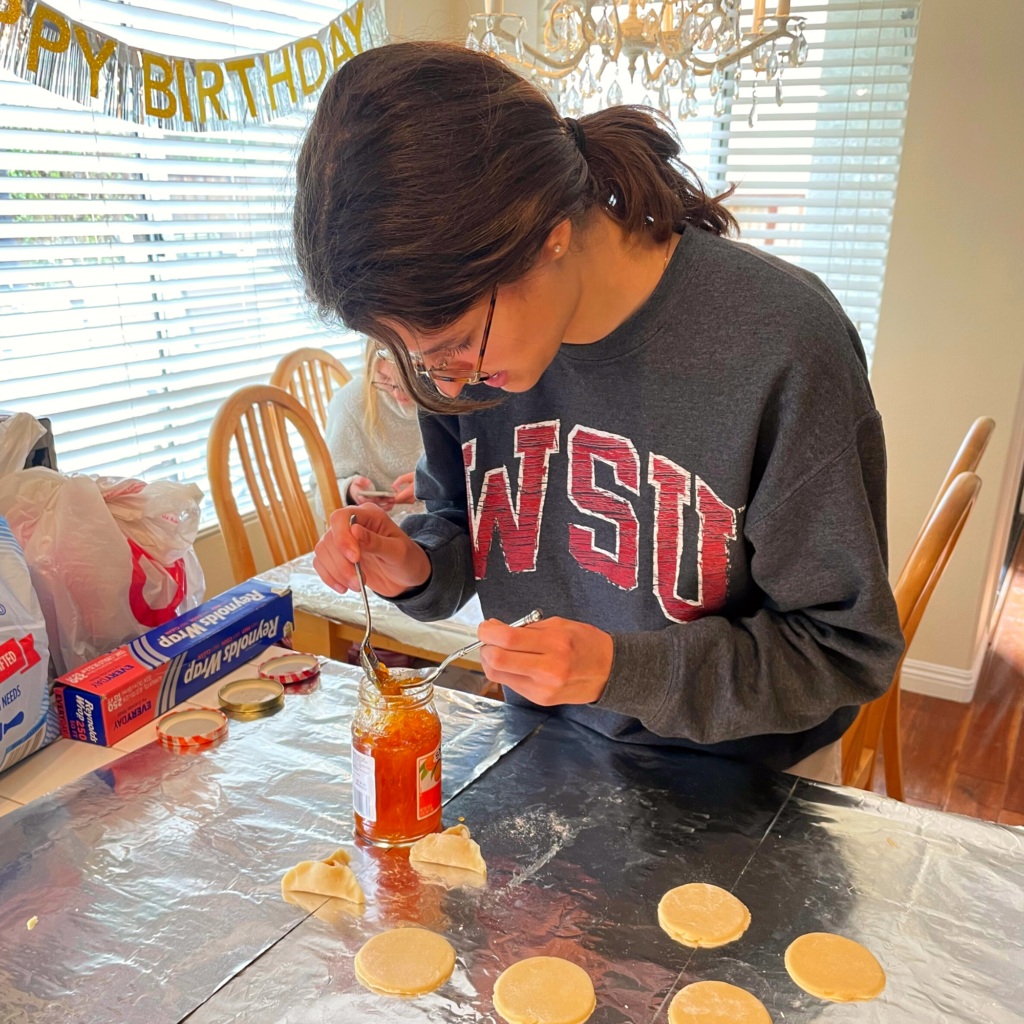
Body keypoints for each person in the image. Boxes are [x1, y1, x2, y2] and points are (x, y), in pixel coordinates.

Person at [294, 42, 905, 785]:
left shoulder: (780, 344)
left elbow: (840, 650)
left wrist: (620, 670)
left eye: (455, 346)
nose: (446, 390)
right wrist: (418, 563)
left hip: (749, 777)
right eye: (415, 357)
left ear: (548, 236)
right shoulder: (466, 365)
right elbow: (472, 527)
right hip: (548, 748)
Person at [316, 341, 424, 521]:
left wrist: (432, 484)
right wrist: (350, 491)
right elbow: (323, 492)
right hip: (379, 529)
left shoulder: (450, 392)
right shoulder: (350, 404)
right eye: (384, 379)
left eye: (410, 383)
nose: (398, 394)